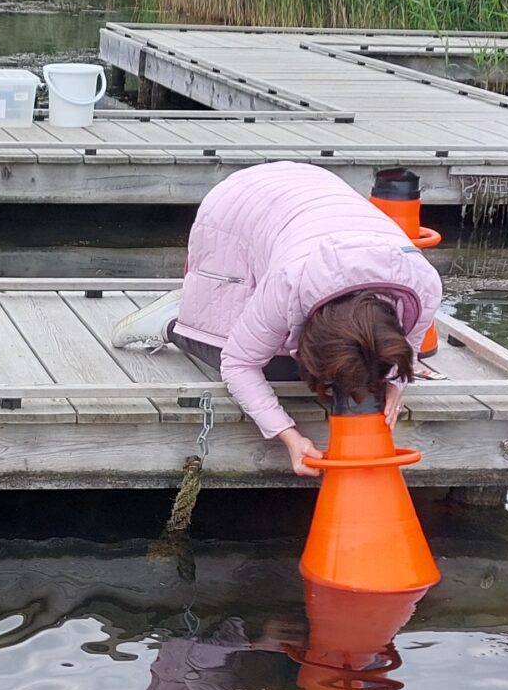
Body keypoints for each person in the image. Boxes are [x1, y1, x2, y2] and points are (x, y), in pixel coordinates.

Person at [116, 162, 443, 474]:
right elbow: (238, 364)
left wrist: (398, 382)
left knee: (336, 366)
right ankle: (173, 322)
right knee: (275, 367)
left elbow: (408, 346)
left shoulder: (424, 284)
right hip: (239, 205)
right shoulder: (291, 281)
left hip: (309, 194)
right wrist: (288, 435)